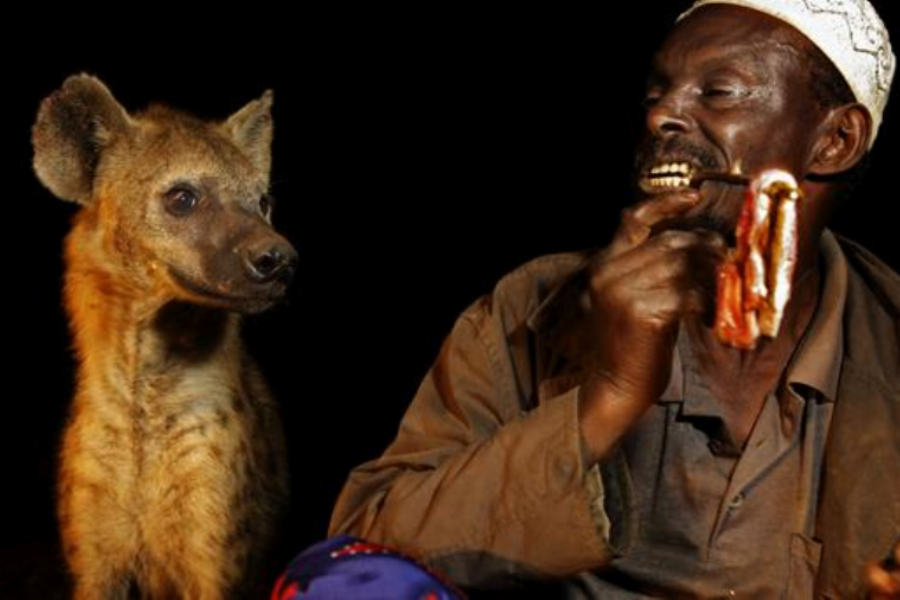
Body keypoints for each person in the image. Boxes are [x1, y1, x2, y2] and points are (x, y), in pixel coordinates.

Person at [330, 0, 900, 597]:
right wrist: (609, 396)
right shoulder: (534, 304)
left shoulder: (890, 337)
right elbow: (358, 564)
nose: (661, 117)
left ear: (836, 140)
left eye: (718, 92)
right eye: (657, 93)